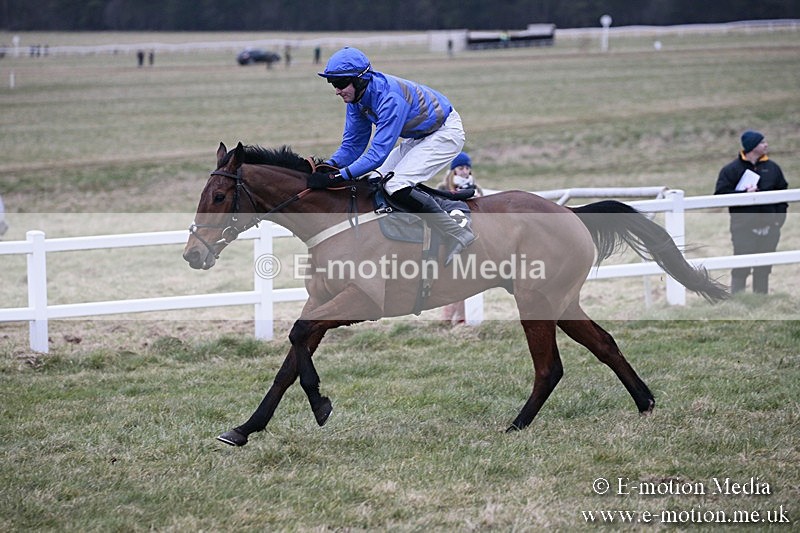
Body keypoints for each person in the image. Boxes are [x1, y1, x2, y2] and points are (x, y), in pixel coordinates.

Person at [309, 47, 474, 266]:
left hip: (445, 132)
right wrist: (329, 166)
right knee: (374, 180)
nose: (336, 91)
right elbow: (353, 145)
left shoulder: (390, 98)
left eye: (339, 84)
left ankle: (456, 232)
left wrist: (337, 178)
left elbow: (377, 154)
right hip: (420, 136)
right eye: (332, 84)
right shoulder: (357, 100)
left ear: (359, 80)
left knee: (396, 184)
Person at [714, 130, 788, 294]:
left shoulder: (773, 168)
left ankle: (760, 300)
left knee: (764, 266)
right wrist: (743, 195)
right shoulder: (731, 170)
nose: (766, 145)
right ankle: (738, 299)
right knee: (742, 265)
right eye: (762, 142)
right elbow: (719, 196)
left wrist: (778, 220)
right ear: (752, 147)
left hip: (770, 227)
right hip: (743, 227)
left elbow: (783, 194)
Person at [438, 152, 482, 325]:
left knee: (466, 280)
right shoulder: (442, 189)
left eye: (467, 168)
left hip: (472, 237)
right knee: (454, 281)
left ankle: (460, 319)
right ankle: (448, 318)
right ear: (453, 171)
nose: (464, 171)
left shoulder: (476, 189)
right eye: (460, 168)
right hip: (450, 239)